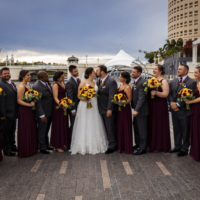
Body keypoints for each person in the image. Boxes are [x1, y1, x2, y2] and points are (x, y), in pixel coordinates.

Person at [70, 67, 108, 155]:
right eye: (94, 71)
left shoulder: (96, 82)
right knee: (84, 123)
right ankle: (83, 145)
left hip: (94, 106)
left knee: (94, 123)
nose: (95, 72)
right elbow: (78, 96)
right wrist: (86, 99)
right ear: (90, 73)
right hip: (85, 105)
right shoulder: (83, 83)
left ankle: (96, 144)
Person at [168, 64, 196, 157]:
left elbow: (189, 96)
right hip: (174, 109)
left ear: (186, 71)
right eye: (178, 69)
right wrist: (172, 103)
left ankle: (184, 148)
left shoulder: (192, 82)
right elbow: (170, 94)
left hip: (184, 110)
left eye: (180, 69)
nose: (178, 70)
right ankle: (177, 146)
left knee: (185, 130)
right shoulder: (173, 81)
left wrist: (178, 105)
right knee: (176, 129)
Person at [148, 65, 171, 153]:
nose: (154, 70)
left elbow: (165, 94)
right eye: (153, 69)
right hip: (151, 105)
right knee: (152, 124)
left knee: (159, 124)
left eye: (156, 69)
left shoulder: (163, 81)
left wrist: (156, 92)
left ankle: (159, 146)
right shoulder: (150, 80)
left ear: (160, 71)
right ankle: (151, 144)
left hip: (160, 105)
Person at [96, 65, 118, 154]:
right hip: (101, 108)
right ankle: (108, 143)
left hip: (108, 109)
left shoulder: (111, 81)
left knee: (110, 128)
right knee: (105, 127)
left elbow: (111, 96)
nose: (96, 72)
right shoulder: (99, 81)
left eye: (97, 70)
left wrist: (110, 109)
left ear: (102, 72)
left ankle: (112, 145)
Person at [17, 70, 38, 157]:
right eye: (27, 75)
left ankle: (31, 149)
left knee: (31, 128)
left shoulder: (28, 85)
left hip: (30, 110)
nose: (29, 76)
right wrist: (29, 105)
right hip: (24, 110)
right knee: (25, 129)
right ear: (22, 76)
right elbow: (18, 100)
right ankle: (25, 150)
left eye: (29, 75)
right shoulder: (21, 86)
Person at [32, 71, 54, 154]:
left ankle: (47, 145)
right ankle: (42, 148)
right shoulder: (37, 87)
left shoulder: (46, 83)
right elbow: (38, 102)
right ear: (40, 78)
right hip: (43, 113)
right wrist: (42, 115)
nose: (48, 78)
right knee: (42, 130)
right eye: (46, 77)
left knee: (46, 130)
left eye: (47, 76)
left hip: (49, 111)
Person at [0, 67, 18, 156]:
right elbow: (1, 101)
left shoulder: (10, 83)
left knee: (11, 131)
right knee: (5, 133)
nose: (7, 75)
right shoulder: (0, 84)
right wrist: (2, 114)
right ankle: (6, 150)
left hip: (13, 112)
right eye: (5, 73)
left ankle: (12, 146)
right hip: (6, 114)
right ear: (0, 75)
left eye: (8, 73)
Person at [50, 71, 70, 152]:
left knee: (64, 124)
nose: (64, 78)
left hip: (65, 105)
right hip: (58, 107)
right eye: (62, 77)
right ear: (58, 78)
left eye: (64, 76)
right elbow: (55, 97)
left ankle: (63, 143)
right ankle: (57, 146)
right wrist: (62, 105)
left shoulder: (63, 83)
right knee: (58, 125)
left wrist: (67, 104)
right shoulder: (55, 85)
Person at [131, 66, 149, 155]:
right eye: (132, 71)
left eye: (134, 72)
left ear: (139, 73)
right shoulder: (135, 82)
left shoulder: (142, 82)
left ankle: (143, 148)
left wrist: (137, 110)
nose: (132, 73)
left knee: (142, 131)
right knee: (136, 128)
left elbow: (142, 98)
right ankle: (138, 144)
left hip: (141, 111)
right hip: (136, 110)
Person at [186, 66, 200, 162]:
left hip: (198, 109)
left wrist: (191, 102)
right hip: (196, 108)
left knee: (198, 129)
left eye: (196, 72)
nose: (194, 74)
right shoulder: (198, 83)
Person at [116, 71, 132, 154]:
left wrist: (122, 102)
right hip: (119, 109)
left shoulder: (128, 87)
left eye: (120, 77)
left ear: (125, 79)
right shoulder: (120, 85)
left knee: (125, 126)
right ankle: (120, 146)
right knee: (119, 126)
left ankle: (126, 146)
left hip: (125, 109)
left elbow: (129, 99)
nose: (119, 78)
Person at [65, 65, 80, 144]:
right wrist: (73, 109)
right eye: (75, 71)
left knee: (78, 125)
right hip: (74, 107)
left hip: (80, 106)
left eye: (77, 70)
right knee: (73, 125)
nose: (77, 72)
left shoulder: (78, 80)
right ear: (71, 73)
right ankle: (70, 143)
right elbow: (70, 97)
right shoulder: (69, 83)